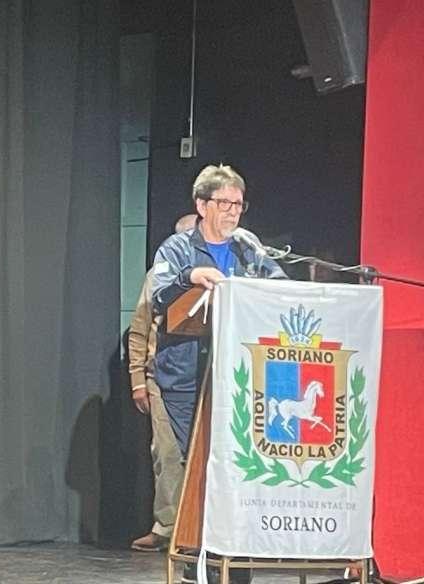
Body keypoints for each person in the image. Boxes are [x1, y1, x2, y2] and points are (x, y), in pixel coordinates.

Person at [149, 165, 286, 584]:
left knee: (234, 466)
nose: (232, 212)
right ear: (202, 204)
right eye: (224, 203)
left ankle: (233, 560)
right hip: (186, 375)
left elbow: (281, 287)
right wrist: (190, 276)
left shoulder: (248, 248)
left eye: (238, 205)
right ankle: (195, 560)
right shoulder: (177, 248)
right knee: (196, 467)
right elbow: (158, 294)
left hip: (240, 376)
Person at [127, 214, 196, 553]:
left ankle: (199, 529)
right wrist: (137, 380)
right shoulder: (158, 277)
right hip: (163, 375)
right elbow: (139, 329)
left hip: (207, 374)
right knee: (167, 452)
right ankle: (167, 527)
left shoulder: (220, 276)